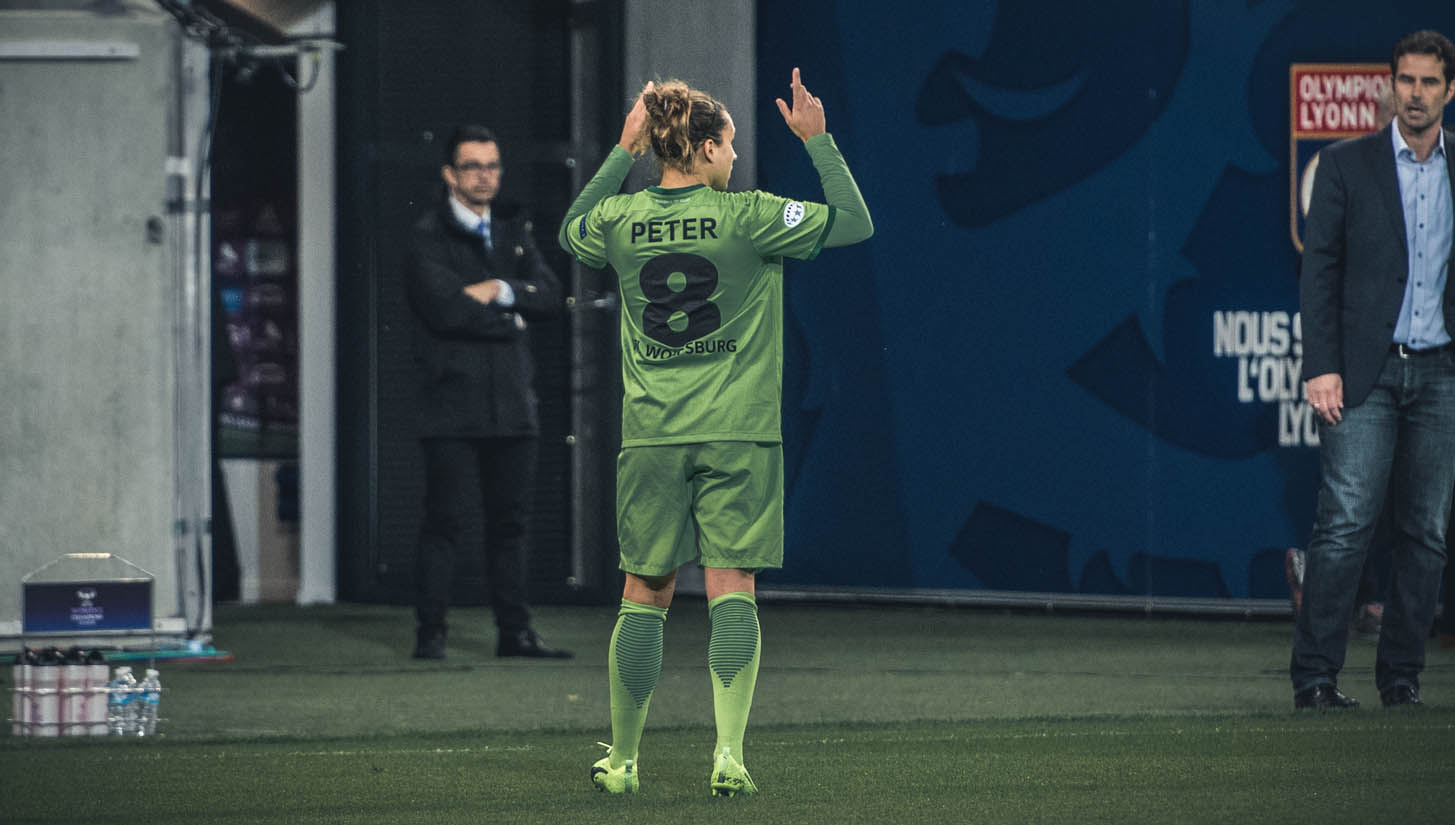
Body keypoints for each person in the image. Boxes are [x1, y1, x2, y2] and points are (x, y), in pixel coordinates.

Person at [558, 69, 873, 795]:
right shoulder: (750, 216)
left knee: (644, 592)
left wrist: (621, 151)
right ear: (703, 148)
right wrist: (817, 141)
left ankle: (623, 762)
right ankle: (728, 755)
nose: (733, 156)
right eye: (728, 144)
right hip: (739, 434)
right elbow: (854, 222)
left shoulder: (621, 219)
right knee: (733, 585)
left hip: (653, 435)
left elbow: (572, 231)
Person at [1292, 29, 1455, 710]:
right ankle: (1315, 677)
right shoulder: (1345, 163)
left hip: (1441, 373)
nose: (1415, 94)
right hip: (1364, 371)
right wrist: (1320, 366)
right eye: (1405, 81)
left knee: (1426, 533)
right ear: (1390, 86)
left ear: (1449, 90)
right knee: (1344, 524)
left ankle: (1401, 679)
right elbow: (1319, 272)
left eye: (1428, 82)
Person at [404, 124, 571, 661]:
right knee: (444, 522)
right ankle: (431, 633)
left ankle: (514, 633)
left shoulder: (513, 229)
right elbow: (445, 310)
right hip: (450, 406)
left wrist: (500, 289)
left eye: (492, 166)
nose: (484, 176)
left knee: (511, 524)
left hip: (513, 407)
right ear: (450, 175)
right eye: (472, 166)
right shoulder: (427, 235)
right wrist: (512, 317)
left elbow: (549, 295)